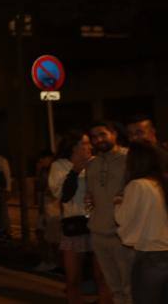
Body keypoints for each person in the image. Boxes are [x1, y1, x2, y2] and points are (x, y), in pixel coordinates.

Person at [49, 130, 112, 304]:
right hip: (74, 224)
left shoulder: (98, 163)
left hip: (98, 224)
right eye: (85, 143)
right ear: (74, 146)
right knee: (73, 278)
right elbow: (64, 195)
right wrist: (76, 169)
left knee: (102, 276)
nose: (89, 146)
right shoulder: (60, 166)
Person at [86, 121, 134, 304]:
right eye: (94, 137)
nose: (99, 140)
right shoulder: (92, 164)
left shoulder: (129, 159)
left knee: (129, 287)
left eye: (103, 134)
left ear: (114, 133)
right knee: (114, 288)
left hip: (121, 235)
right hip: (98, 234)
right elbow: (92, 196)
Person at [115, 142, 168, 304]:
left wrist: (117, 203)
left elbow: (124, 219)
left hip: (151, 256)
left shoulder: (138, 185)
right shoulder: (161, 183)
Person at [34, 150, 61, 272]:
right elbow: (39, 189)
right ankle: (48, 261)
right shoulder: (43, 172)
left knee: (53, 238)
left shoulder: (55, 171)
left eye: (43, 159)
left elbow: (53, 192)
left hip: (53, 209)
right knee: (41, 234)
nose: (41, 162)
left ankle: (55, 262)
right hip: (45, 208)